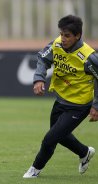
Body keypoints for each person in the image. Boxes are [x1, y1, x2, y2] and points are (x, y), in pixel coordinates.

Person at [23, 15, 98, 178]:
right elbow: (43, 59)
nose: (63, 39)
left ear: (77, 35)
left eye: (67, 35)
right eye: (62, 34)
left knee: (50, 138)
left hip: (79, 105)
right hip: (61, 99)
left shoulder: (88, 57)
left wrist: (96, 106)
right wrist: (39, 78)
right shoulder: (56, 44)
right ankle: (84, 152)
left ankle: (35, 170)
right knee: (60, 135)